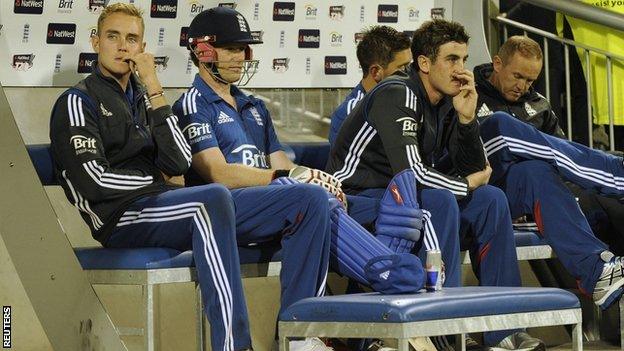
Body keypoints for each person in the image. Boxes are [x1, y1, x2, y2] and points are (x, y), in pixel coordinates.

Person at [48, 4, 326, 351]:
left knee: (309, 199)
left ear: (142, 48)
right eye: (113, 37)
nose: (122, 46)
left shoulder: (144, 99)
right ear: (95, 42)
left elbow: (177, 161)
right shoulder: (77, 101)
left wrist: (153, 87)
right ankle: (233, 346)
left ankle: (299, 337)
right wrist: (157, 183)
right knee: (210, 200)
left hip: (160, 205)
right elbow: (94, 181)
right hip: (119, 217)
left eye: (132, 39)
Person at [173, 7, 427, 348]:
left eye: (243, 49)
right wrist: (292, 176)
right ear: (202, 50)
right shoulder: (192, 103)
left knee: (381, 208)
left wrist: (320, 178)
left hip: (274, 202)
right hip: (224, 210)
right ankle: (312, 323)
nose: (240, 57)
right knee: (308, 199)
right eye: (231, 48)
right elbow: (218, 173)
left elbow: (279, 161)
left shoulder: (254, 107)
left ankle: (366, 325)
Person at [326, 19, 544, 350]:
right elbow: (411, 175)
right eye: (451, 60)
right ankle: (444, 331)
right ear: (424, 64)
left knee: (491, 199)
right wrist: (466, 185)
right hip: (354, 202)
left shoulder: (446, 101)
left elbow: (476, 168)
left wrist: (468, 119)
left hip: (401, 201)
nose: (461, 70)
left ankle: (505, 328)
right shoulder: (397, 92)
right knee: (440, 201)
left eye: (464, 60)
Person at [474, 35, 624, 310]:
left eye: (530, 81)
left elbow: (561, 160)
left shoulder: (539, 105)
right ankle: (615, 173)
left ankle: (598, 271)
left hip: (526, 193)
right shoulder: (468, 94)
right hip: (482, 189)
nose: (522, 86)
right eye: (517, 76)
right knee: (500, 125)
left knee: (536, 170)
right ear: (497, 63)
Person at [328, 26, 412, 146]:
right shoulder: (348, 116)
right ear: (376, 72)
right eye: (402, 67)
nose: (408, 74)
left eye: (408, 66)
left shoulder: (409, 101)